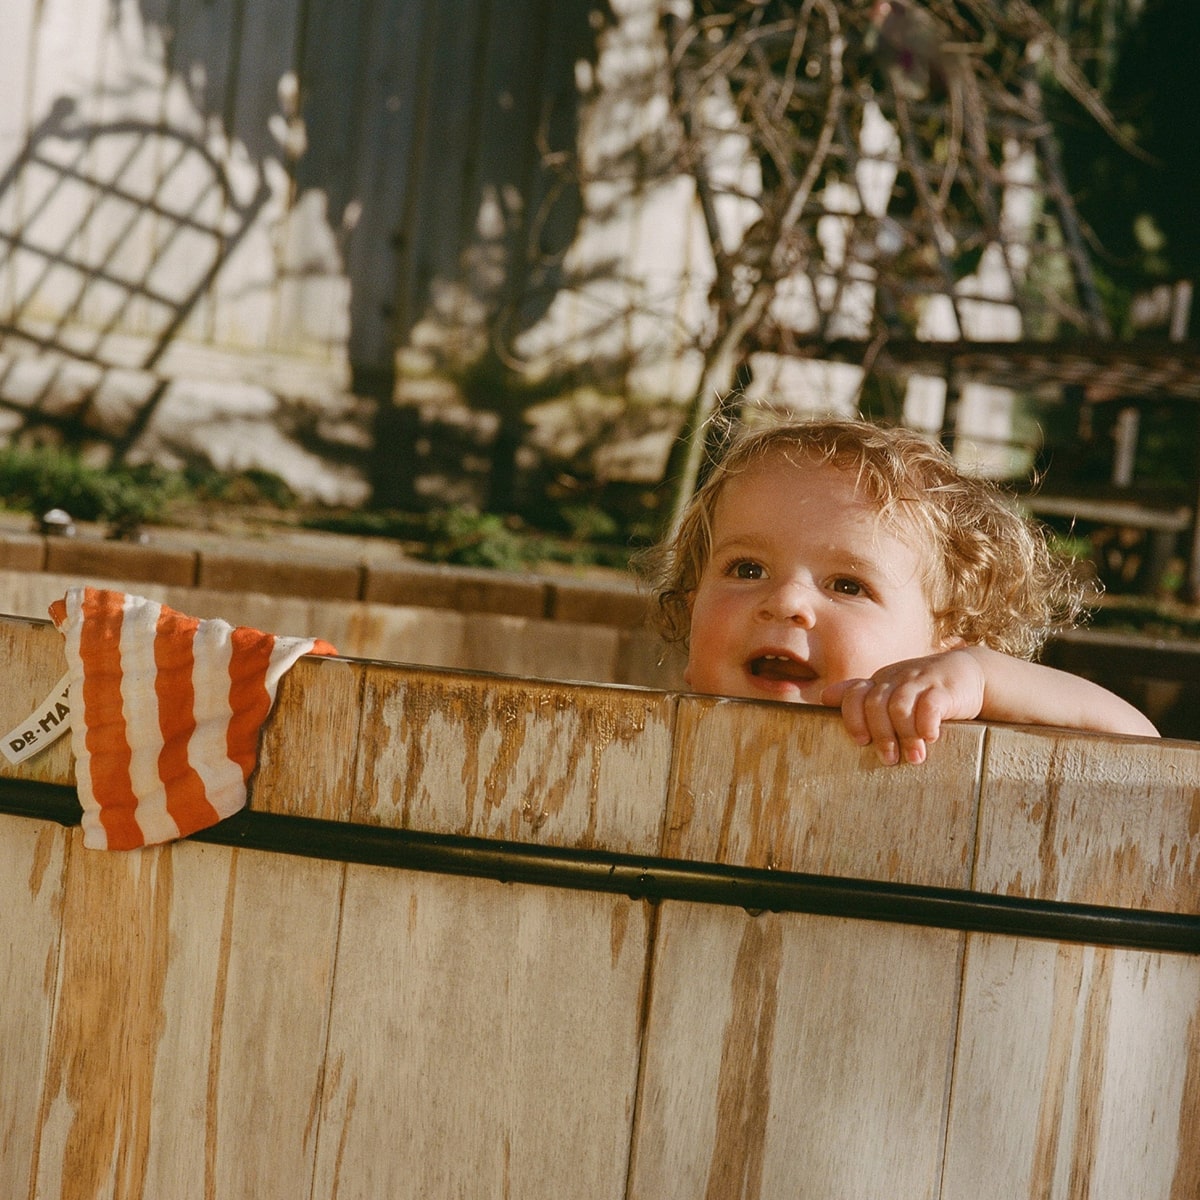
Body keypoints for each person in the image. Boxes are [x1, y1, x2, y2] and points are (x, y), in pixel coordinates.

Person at [643, 416, 1159, 765]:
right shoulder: (649, 748)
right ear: (692, 613)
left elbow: (1140, 749)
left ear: (940, 646)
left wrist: (982, 675)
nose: (785, 602)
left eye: (848, 584)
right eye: (747, 569)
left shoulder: (929, 744)